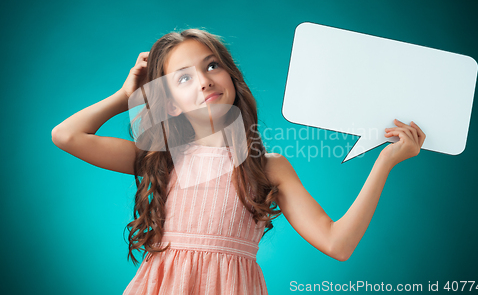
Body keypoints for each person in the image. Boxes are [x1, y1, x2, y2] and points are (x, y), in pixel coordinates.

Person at [51, 28, 426, 295]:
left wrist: (385, 163)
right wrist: (125, 95)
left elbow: (337, 244)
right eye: (183, 78)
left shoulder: (268, 168)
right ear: (168, 103)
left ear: (230, 75)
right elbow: (66, 136)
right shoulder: (160, 159)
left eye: (211, 66)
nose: (203, 81)